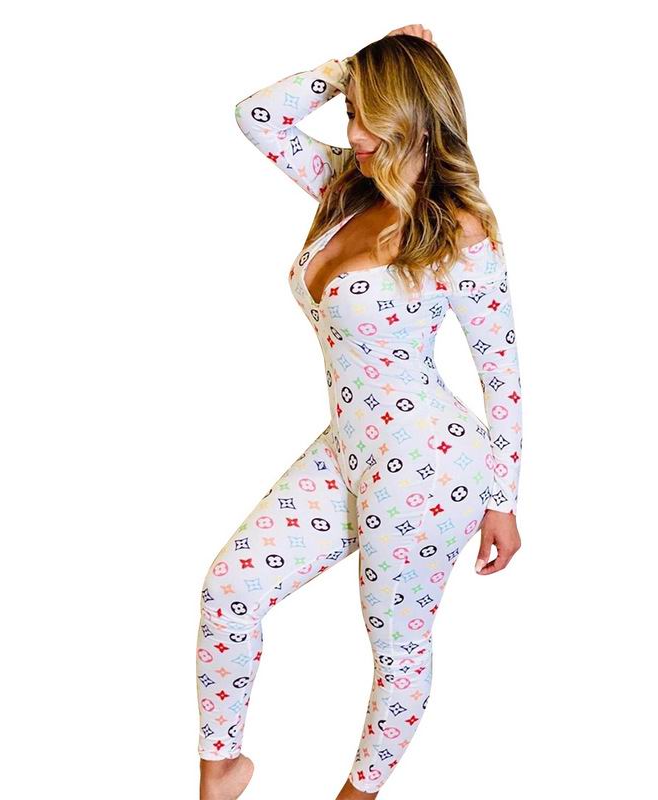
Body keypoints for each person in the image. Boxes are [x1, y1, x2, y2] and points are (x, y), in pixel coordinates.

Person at [197, 24, 523, 800]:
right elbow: (256, 117)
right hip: (348, 449)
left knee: (395, 649)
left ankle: (356, 796)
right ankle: (220, 774)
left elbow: (503, 373)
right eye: (352, 114)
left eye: (372, 118)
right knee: (229, 590)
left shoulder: (460, 230)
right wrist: (350, 67)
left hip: (428, 470)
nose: (355, 135)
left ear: (415, 116)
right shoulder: (349, 188)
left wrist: (503, 499)